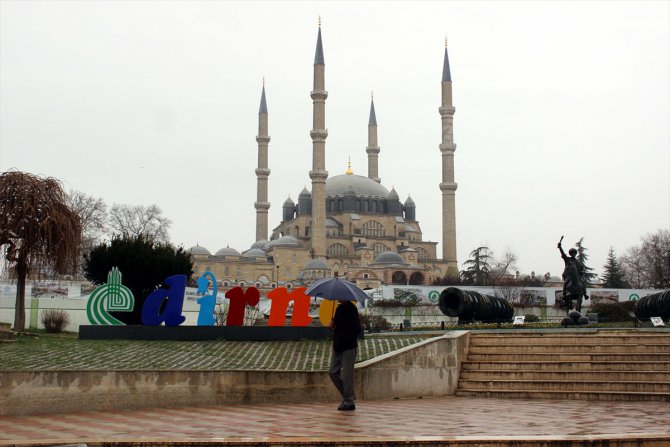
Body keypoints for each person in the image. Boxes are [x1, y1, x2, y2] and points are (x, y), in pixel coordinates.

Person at [328, 299, 362, 411]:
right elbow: (337, 326)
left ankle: (349, 400)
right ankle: (348, 396)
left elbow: (357, 328)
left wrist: (345, 333)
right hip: (337, 346)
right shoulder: (338, 308)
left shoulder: (351, 309)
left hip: (348, 347)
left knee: (347, 375)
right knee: (332, 372)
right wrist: (333, 324)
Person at [557, 241, 589, 305]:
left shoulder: (578, 262)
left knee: (582, 282)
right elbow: (563, 254)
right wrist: (560, 247)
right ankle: (564, 295)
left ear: (575, 253)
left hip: (577, 276)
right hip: (569, 275)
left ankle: (585, 294)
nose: (573, 254)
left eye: (574, 253)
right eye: (571, 253)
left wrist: (582, 272)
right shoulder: (567, 259)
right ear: (570, 254)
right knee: (566, 283)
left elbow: (581, 269)